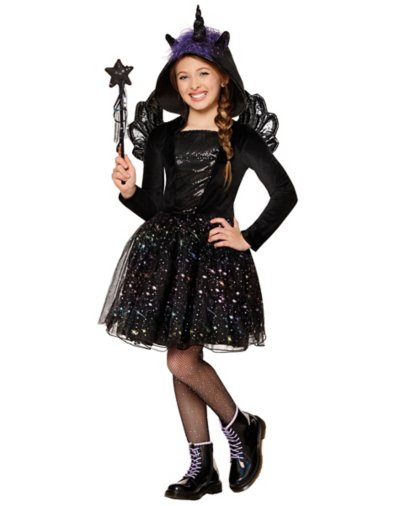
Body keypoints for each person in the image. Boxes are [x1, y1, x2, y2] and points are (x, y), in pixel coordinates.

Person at [98, 5, 298, 501]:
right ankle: (201, 466)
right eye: (183, 76)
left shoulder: (241, 139)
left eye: (202, 73)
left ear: (223, 78)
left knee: (182, 361)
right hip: (167, 257)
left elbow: (284, 193)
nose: (193, 84)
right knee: (180, 357)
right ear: (174, 83)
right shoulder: (163, 136)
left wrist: (250, 236)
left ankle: (240, 425)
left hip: (213, 260)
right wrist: (130, 192)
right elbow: (157, 208)